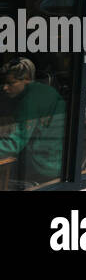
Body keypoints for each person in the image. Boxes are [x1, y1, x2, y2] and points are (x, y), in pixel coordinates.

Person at [0, 58, 65, 189]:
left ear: (27, 79)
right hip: (57, 159)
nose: (5, 88)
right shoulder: (42, 90)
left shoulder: (30, 102)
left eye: (10, 83)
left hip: (42, 166)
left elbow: (14, 144)